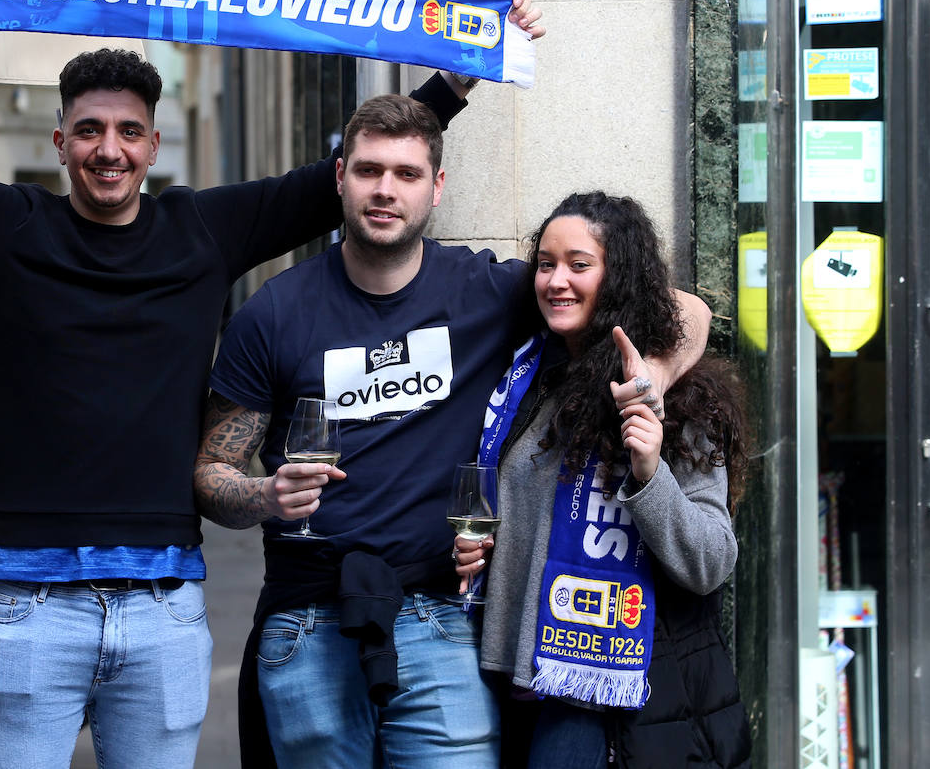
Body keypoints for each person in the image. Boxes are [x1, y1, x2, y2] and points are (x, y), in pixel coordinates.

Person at [0, 0, 546, 768]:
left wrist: (464, 64)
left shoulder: (201, 231)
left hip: (163, 606)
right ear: (59, 140)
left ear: (153, 145)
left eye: (127, 131)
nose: (107, 148)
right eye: (88, 131)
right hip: (28, 601)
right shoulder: (7, 229)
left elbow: (359, 168)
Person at [193, 97, 710, 767]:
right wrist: (266, 495)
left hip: (442, 615)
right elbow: (210, 475)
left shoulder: (487, 292)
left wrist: (653, 385)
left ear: (436, 187)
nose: (385, 189)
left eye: (407, 174)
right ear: (340, 178)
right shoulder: (272, 313)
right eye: (369, 170)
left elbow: (685, 309)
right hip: (309, 619)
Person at [474, 192, 751, 768]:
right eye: (546, 264)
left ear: (617, 275)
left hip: (600, 699)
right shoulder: (530, 378)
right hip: (504, 679)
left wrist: (649, 472)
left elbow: (711, 560)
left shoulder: (675, 399)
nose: (557, 281)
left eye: (580, 265)